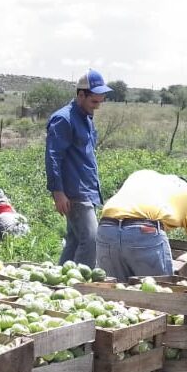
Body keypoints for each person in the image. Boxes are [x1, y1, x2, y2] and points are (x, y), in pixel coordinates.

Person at [97, 170, 187, 280]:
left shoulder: (142, 175)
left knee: (115, 296)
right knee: (158, 296)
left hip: (106, 227)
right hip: (144, 230)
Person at [46, 68, 110, 268]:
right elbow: (53, 157)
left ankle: (57, 284)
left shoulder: (86, 118)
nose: (97, 107)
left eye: (100, 102)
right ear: (81, 94)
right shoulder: (63, 119)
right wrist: (58, 192)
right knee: (91, 240)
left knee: (75, 241)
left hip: (87, 189)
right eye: (94, 102)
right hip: (75, 192)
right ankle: (80, 288)